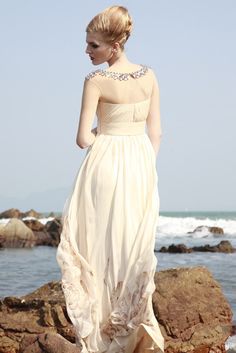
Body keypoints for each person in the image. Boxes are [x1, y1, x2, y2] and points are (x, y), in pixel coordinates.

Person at [56, 5, 164, 353]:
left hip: (104, 164)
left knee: (96, 244)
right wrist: (145, 165)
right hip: (141, 165)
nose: (87, 52)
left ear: (113, 46)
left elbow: (82, 139)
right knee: (131, 248)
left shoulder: (96, 81)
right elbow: (157, 132)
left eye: (93, 46)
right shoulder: (150, 75)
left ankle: (101, 332)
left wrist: (103, 132)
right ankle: (130, 328)